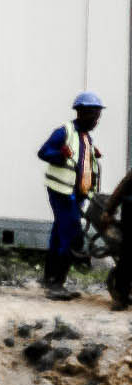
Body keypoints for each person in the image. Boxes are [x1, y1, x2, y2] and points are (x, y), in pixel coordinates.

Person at [44, 91, 110, 294]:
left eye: (98, 116)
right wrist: (59, 155)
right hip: (62, 192)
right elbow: (44, 152)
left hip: (76, 194)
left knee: (58, 232)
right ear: (81, 113)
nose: (96, 120)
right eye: (93, 115)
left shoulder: (85, 137)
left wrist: (92, 154)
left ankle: (49, 278)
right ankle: (57, 284)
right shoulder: (64, 132)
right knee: (70, 232)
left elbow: (82, 164)